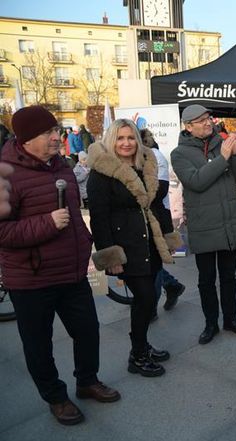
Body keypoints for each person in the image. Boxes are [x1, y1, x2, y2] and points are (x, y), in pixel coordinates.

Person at [0, 106, 120, 426]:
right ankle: (55, 397)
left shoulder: (62, 167)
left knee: (87, 331)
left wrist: (85, 249)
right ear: (26, 139)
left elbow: (74, 218)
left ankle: (87, 381)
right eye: (48, 133)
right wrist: (46, 224)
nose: (58, 137)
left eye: (56, 131)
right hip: (30, 279)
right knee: (39, 345)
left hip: (71, 272)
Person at [87, 119, 182, 378]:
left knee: (149, 296)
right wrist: (111, 256)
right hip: (126, 246)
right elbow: (98, 217)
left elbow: (157, 206)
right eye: (120, 138)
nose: (126, 143)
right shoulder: (101, 172)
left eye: (130, 138)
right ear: (111, 141)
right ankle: (137, 355)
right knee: (145, 299)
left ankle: (142, 346)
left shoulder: (145, 165)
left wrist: (168, 239)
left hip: (149, 242)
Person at [170, 104, 236, 345]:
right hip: (203, 226)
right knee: (206, 280)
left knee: (229, 277)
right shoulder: (179, 153)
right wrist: (224, 157)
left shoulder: (222, 144)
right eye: (200, 120)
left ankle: (231, 319)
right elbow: (196, 181)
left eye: (208, 118)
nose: (208, 123)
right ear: (188, 126)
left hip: (229, 225)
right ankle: (210, 324)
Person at [139, 128, 186, 317]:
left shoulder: (155, 156)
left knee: (153, 261)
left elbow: (160, 190)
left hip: (157, 214)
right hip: (144, 216)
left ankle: (151, 307)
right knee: (150, 261)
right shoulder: (138, 157)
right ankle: (171, 285)